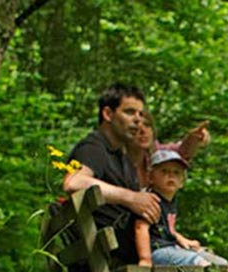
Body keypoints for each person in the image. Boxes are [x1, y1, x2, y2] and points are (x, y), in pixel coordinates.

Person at [132, 148, 228, 272]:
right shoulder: (151, 200)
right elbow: (140, 227)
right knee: (195, 260)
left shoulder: (169, 201)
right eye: (164, 171)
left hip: (170, 248)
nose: (170, 176)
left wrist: (184, 240)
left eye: (176, 173)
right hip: (156, 252)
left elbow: (166, 228)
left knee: (217, 260)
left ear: (182, 181)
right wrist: (145, 259)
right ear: (151, 177)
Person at [62, 83, 162, 259]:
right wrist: (131, 198)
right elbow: (73, 182)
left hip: (131, 245)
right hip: (108, 249)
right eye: (130, 112)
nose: (138, 120)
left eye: (140, 114)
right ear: (108, 114)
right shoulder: (93, 147)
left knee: (203, 257)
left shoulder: (122, 158)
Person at [128, 110, 212, 190]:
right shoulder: (117, 157)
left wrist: (194, 139)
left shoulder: (155, 152)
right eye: (136, 126)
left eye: (147, 125)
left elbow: (178, 153)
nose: (143, 131)